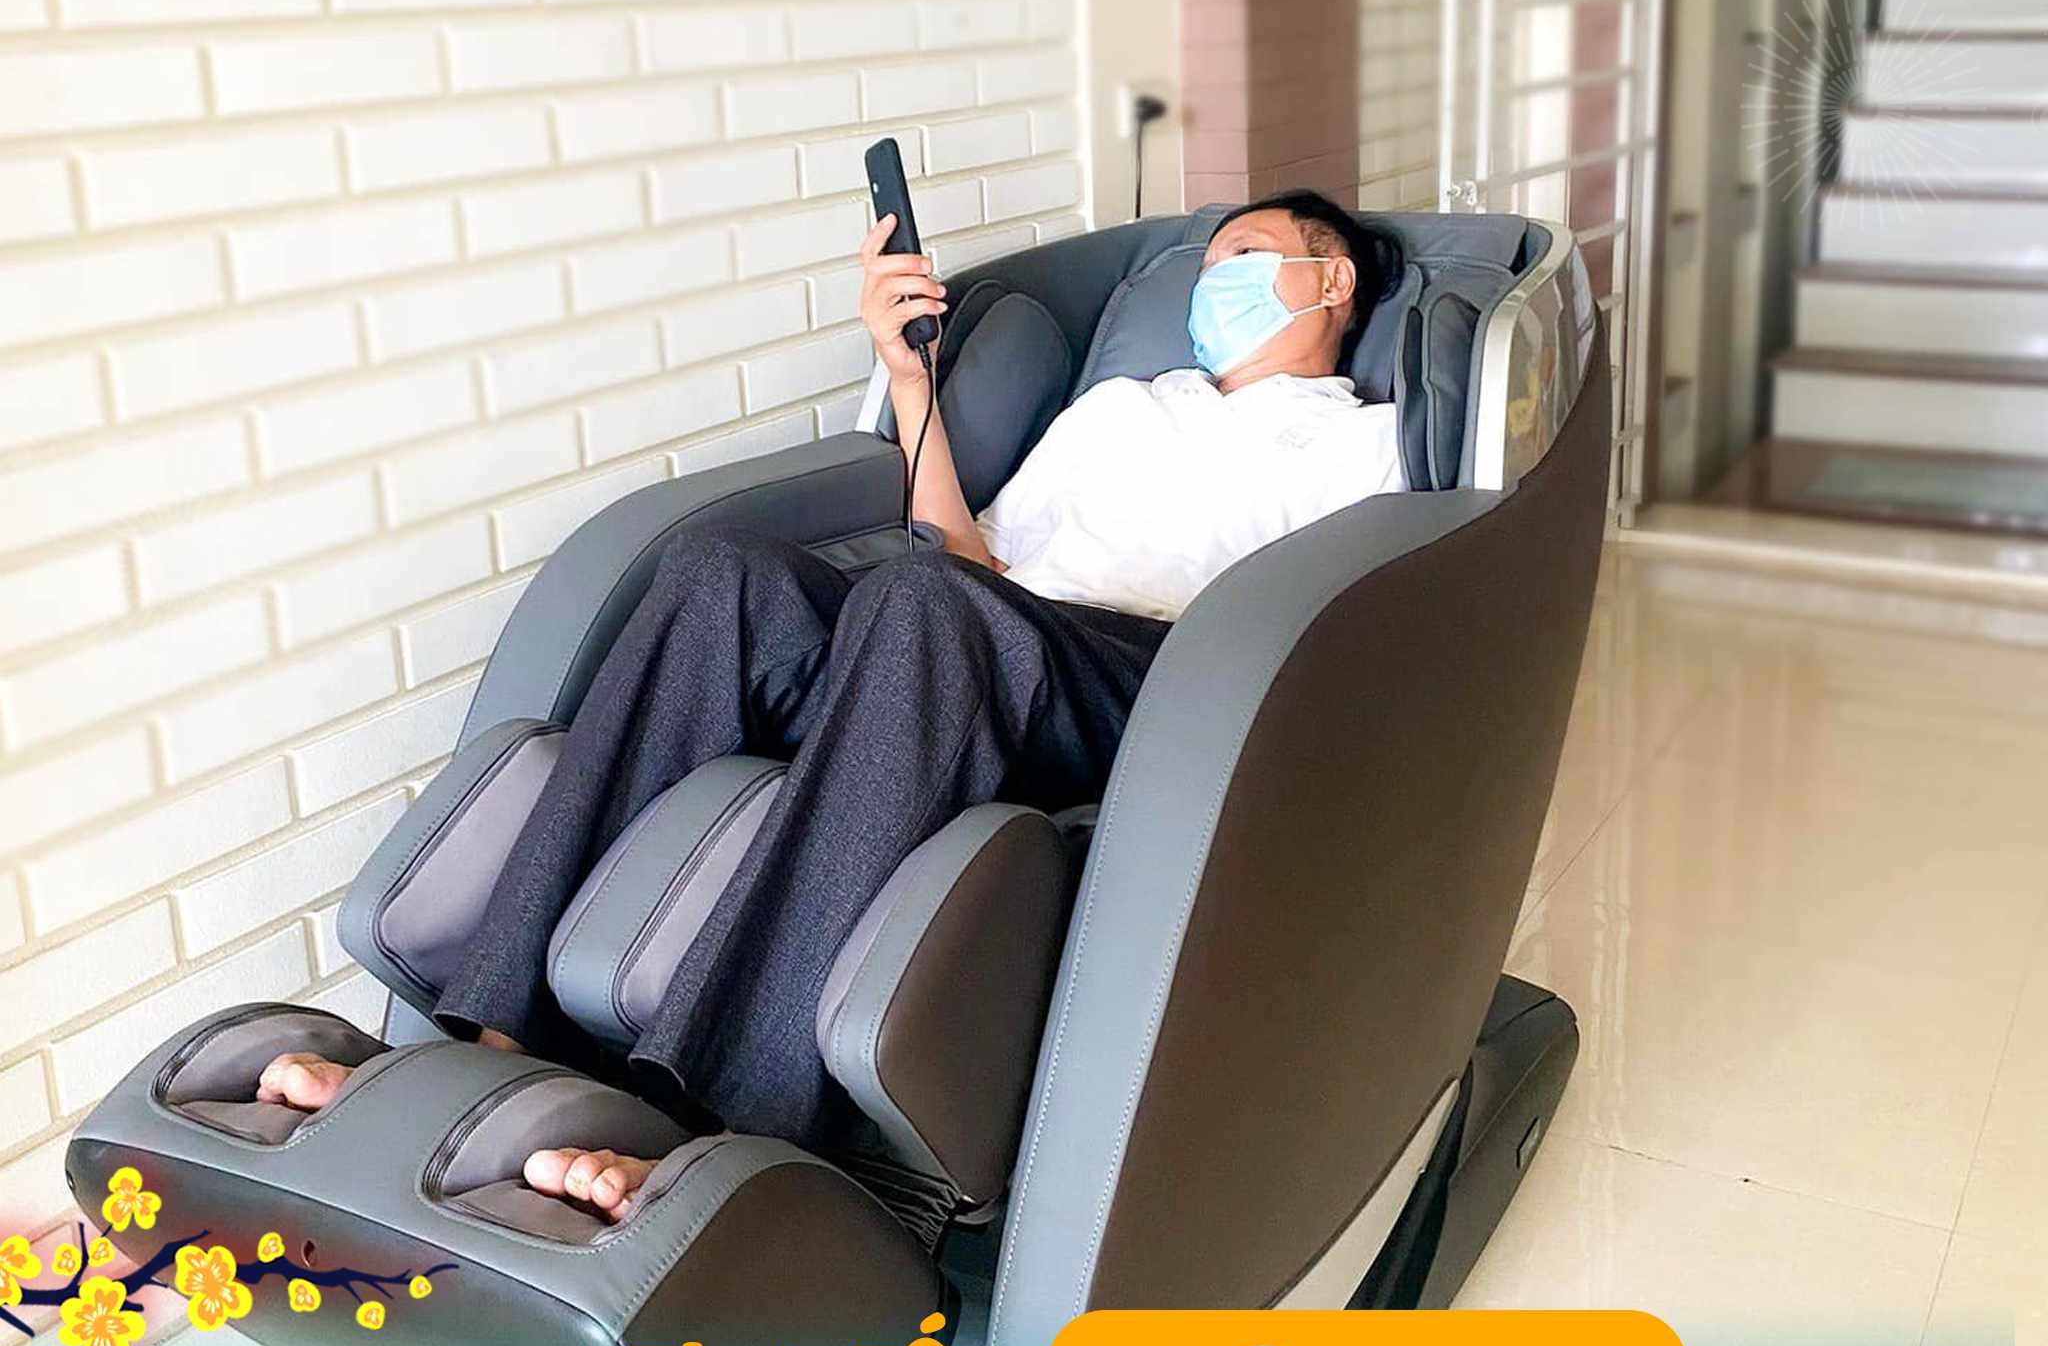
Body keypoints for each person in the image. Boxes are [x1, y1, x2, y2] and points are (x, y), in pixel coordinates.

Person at [255, 190, 1407, 1222]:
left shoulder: (1359, 442)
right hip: (978, 630)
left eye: (1243, 254)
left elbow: (1322, 642)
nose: (1212, 280)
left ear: (1330, 276)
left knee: (921, 603)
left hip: (1149, 674)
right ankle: (494, 1039)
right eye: (1204, 263)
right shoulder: (1119, 407)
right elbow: (968, 555)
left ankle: (720, 1118)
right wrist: (908, 380)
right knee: (720, 573)